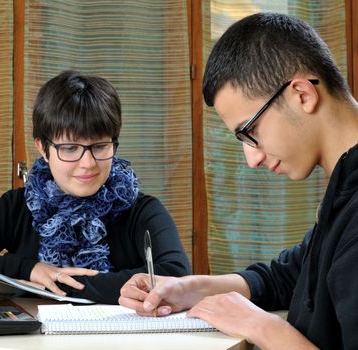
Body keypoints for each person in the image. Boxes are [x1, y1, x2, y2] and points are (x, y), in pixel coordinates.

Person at [119, 12, 358, 349]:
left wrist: (262, 326)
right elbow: (287, 277)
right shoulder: (344, 189)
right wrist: (187, 288)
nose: (253, 158)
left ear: (302, 94)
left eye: (251, 131)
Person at [0, 70, 190, 304]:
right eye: (69, 148)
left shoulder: (143, 211)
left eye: (100, 146)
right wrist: (27, 269)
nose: (87, 163)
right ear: (43, 148)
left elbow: (174, 278)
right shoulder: (18, 207)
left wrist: (47, 285)